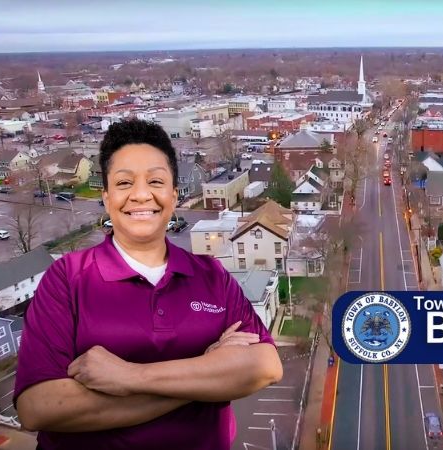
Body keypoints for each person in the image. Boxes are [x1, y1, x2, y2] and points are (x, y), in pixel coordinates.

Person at [14, 119, 283, 450]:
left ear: (173, 195)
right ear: (107, 197)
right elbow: (38, 407)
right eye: (124, 182)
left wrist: (128, 377)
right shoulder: (68, 279)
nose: (141, 195)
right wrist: (208, 373)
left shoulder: (212, 275)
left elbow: (266, 366)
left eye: (155, 181)